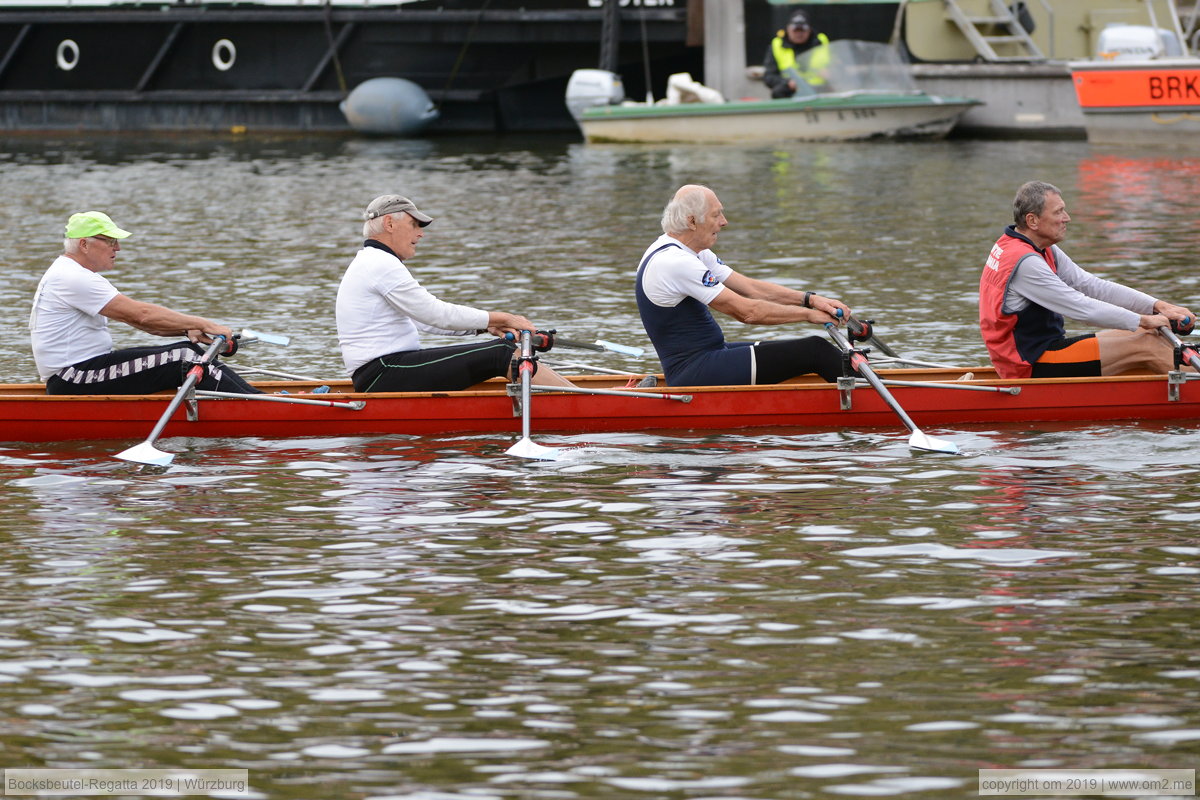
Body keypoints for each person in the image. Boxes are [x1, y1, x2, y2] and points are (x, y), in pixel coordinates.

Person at [336, 194, 575, 393]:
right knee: (501, 354)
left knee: (502, 351)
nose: (420, 234)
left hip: (385, 372)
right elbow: (435, 314)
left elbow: (424, 321)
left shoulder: (374, 262)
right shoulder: (380, 264)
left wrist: (485, 327)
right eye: (414, 225)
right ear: (389, 224)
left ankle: (580, 399)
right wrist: (502, 318)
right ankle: (583, 404)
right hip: (383, 373)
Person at [636, 184, 850, 387]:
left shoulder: (687, 250)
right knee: (814, 350)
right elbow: (747, 312)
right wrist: (809, 315)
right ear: (692, 221)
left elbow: (751, 289)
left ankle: (859, 385)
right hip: (694, 371)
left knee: (799, 349)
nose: (724, 221)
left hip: (711, 355)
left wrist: (811, 300)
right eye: (716, 214)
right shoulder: (676, 262)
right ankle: (872, 400)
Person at [979, 180, 1195, 379]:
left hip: (1042, 350)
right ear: (1032, 220)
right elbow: (1082, 309)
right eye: (1059, 212)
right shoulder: (1026, 263)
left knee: (1148, 334)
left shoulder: (1037, 248)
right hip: (1029, 363)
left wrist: (1159, 307)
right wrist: (1145, 319)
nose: (1067, 218)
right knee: (1146, 344)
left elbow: (1092, 286)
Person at [29, 211, 259, 396]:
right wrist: (205, 323)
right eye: (110, 240)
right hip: (74, 378)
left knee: (188, 350)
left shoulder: (69, 273)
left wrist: (187, 329)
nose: (117, 247)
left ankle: (255, 398)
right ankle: (262, 409)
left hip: (83, 372)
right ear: (84, 244)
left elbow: (149, 325)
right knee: (184, 358)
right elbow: (142, 315)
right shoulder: (72, 277)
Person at [762, 9, 831, 99]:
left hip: (820, 91)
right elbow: (769, 76)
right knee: (778, 91)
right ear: (788, 29)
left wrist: (831, 73)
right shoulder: (777, 45)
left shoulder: (821, 41)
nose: (799, 34)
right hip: (791, 92)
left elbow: (838, 66)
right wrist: (787, 83)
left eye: (802, 30)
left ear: (809, 29)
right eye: (796, 30)